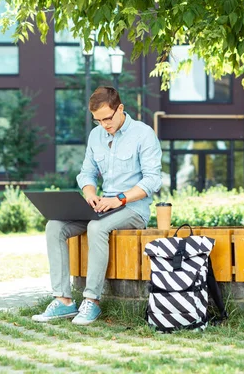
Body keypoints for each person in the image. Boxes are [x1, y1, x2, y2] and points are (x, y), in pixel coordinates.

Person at [32, 86, 162, 325]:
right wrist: (90, 193)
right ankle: (63, 301)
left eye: (107, 118)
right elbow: (87, 173)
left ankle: (92, 301)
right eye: (98, 120)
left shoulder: (143, 134)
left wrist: (119, 199)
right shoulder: (96, 136)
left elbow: (152, 180)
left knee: (96, 228)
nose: (103, 125)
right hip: (102, 206)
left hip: (133, 208)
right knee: (54, 226)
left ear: (120, 108)